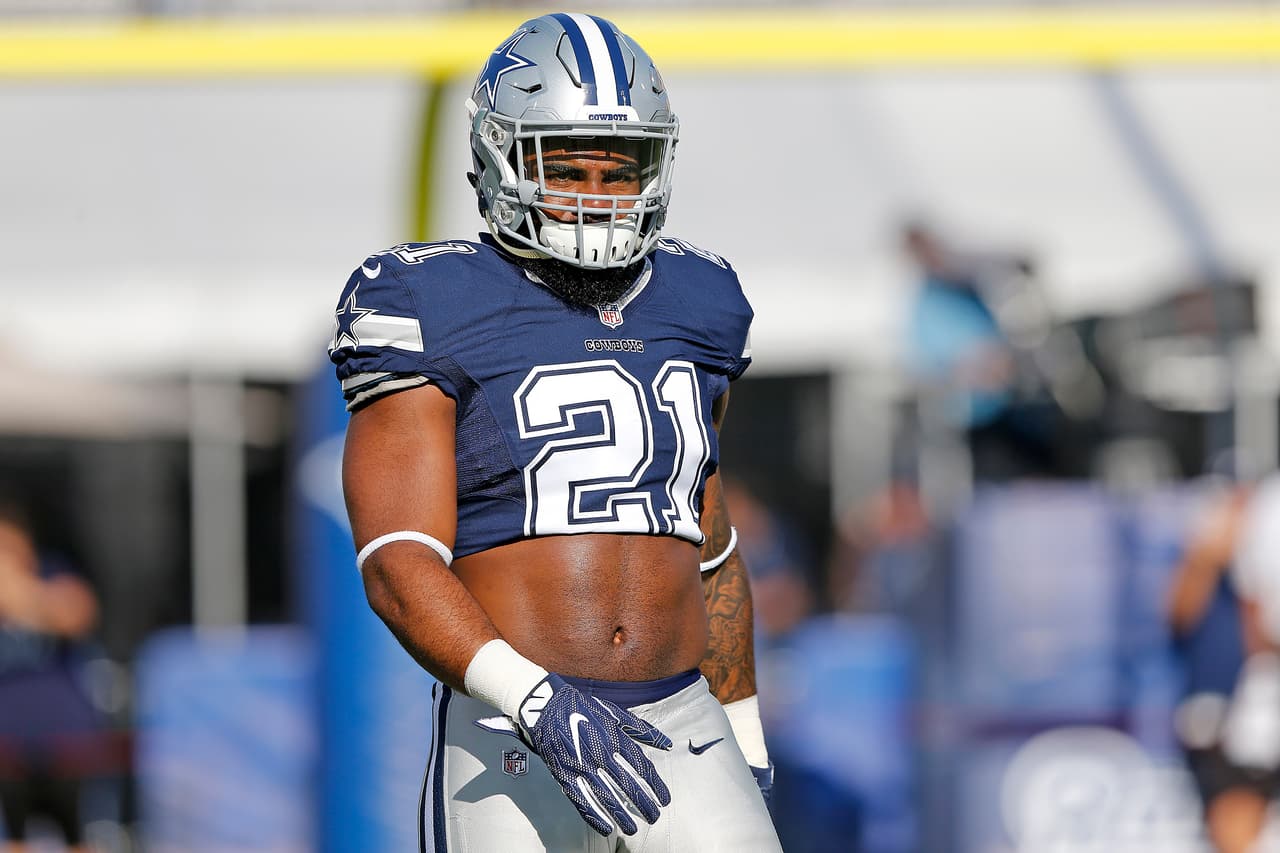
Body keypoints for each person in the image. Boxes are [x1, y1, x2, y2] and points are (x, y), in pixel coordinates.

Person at [330, 13, 782, 852]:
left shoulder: (702, 298)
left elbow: (708, 542)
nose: (595, 196)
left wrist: (744, 730)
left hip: (684, 718)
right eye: (566, 166)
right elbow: (397, 560)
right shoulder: (428, 299)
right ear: (500, 158)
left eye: (622, 170)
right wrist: (533, 696)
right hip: (510, 730)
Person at [0, 497, 103, 852]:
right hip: (7, 751)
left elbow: (78, 612)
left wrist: (25, 597)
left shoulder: (53, 572)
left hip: (65, 746)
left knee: (77, 836)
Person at [1165, 482, 1262, 853]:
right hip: (1222, 712)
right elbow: (1177, 615)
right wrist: (1205, 555)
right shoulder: (1207, 564)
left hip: (1260, 708)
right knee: (1235, 814)